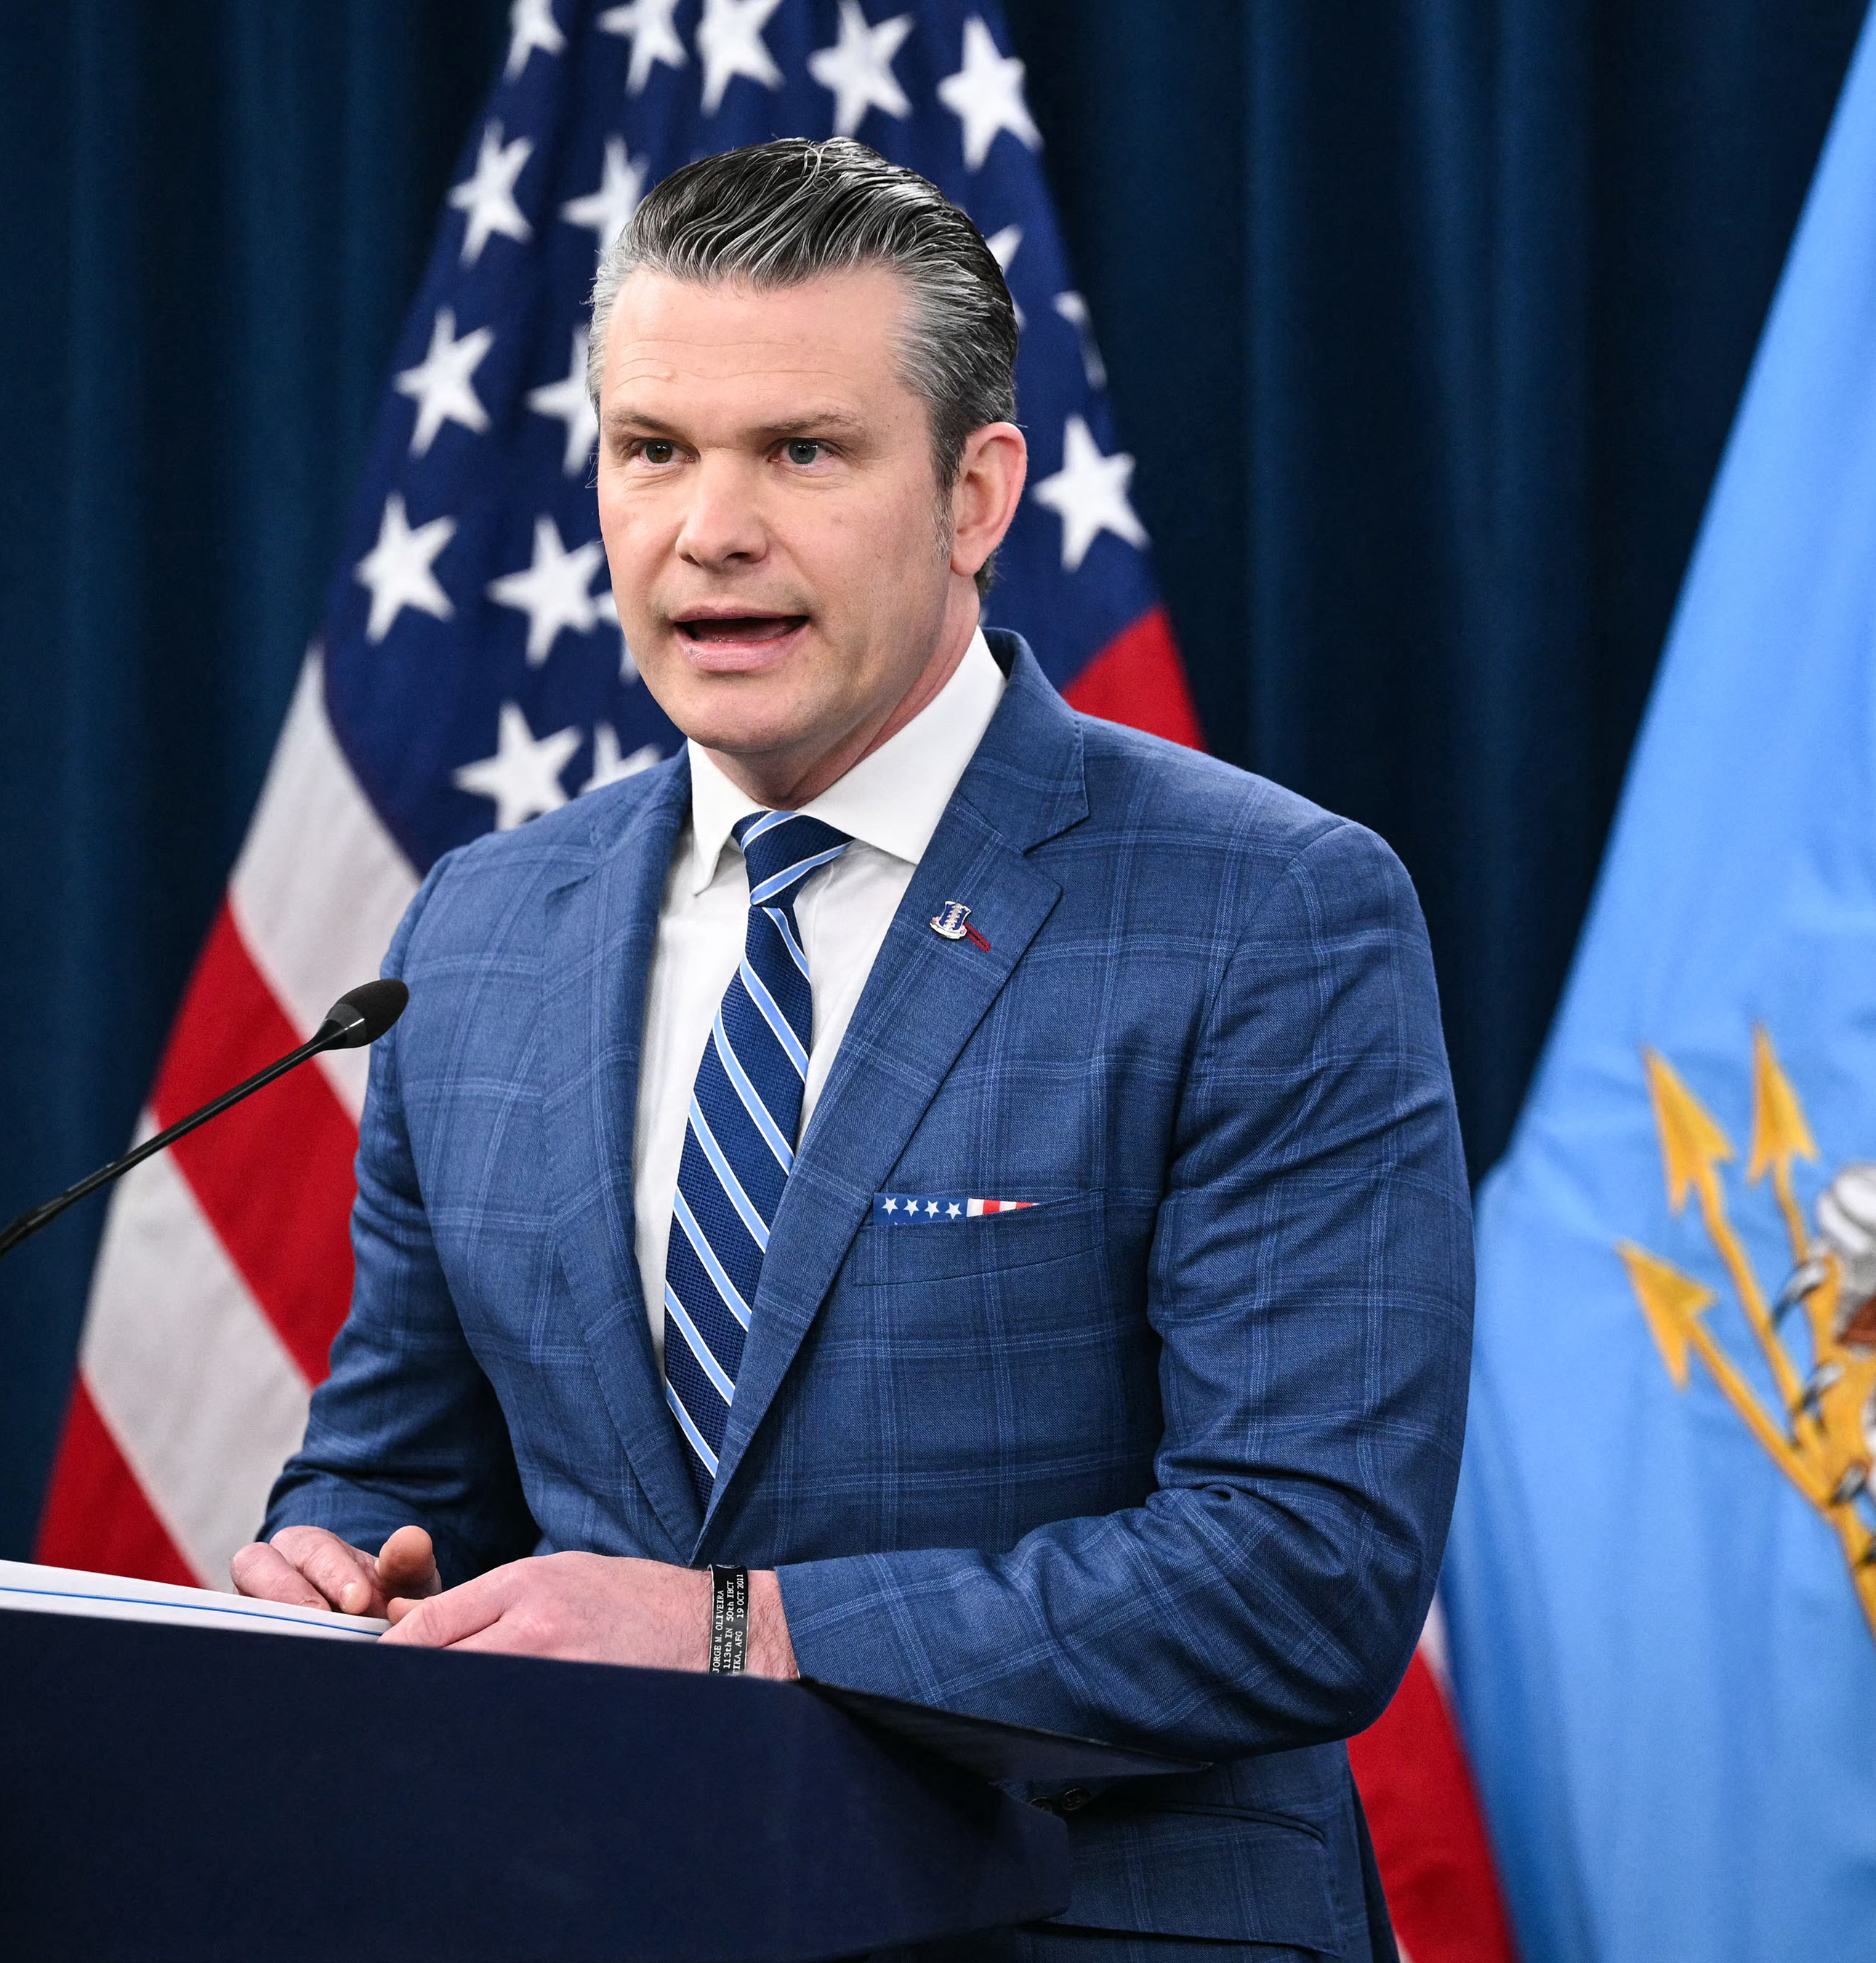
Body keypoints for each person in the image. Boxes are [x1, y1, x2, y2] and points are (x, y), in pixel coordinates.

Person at [236, 137, 1472, 1962]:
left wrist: (738, 1630)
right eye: (652, 450)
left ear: (976, 494)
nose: (708, 530)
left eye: (802, 453)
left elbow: (1304, 1577)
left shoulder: (1269, 913)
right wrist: (344, 1561)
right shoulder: (482, 931)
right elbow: (403, 1463)